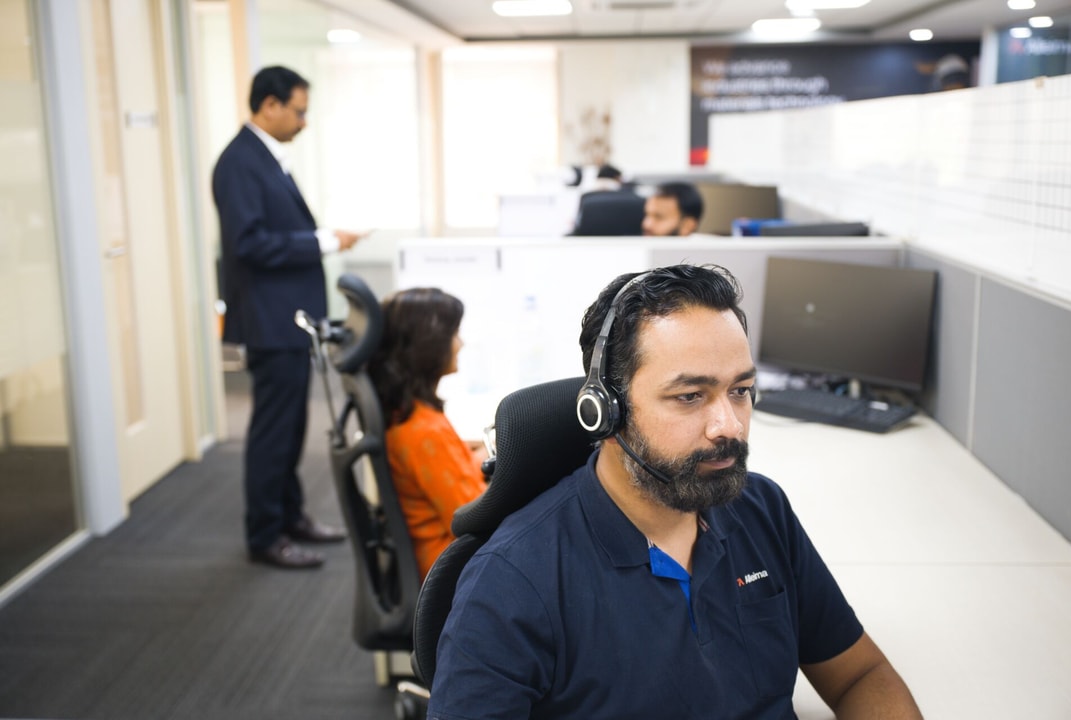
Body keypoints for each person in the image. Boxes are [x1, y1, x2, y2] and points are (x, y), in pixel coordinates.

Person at [428, 264, 922, 719]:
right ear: (604, 411)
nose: (728, 426)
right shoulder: (512, 581)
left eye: (740, 390)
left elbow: (861, 674)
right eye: (690, 397)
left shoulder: (759, 508)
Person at [212, 65, 366, 569]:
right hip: (268, 319)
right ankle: (264, 534)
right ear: (269, 105)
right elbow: (248, 243)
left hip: (286, 318)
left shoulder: (266, 158)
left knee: (292, 424)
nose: (303, 122)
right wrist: (323, 242)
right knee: (273, 431)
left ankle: (291, 514)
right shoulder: (240, 163)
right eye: (298, 111)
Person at [369, 287, 487, 580]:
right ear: (429, 346)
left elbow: (448, 482)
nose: (460, 343)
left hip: (435, 556)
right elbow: (479, 519)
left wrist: (479, 457)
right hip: (453, 570)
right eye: (454, 334)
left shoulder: (405, 415)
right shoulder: (425, 432)